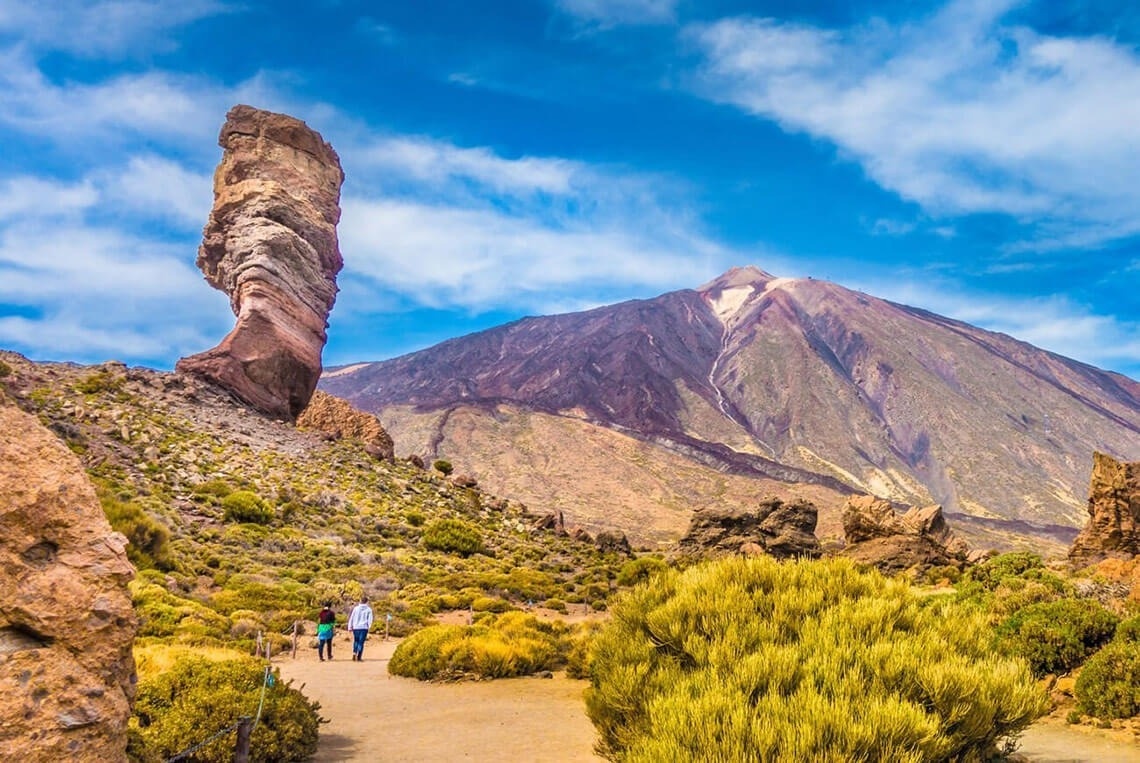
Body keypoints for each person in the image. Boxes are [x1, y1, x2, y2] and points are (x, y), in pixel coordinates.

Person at [347, 595, 373, 661]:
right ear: (367, 602)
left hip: (356, 627)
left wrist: (350, 626)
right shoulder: (369, 609)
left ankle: (354, 652)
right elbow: (370, 619)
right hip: (364, 628)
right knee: (361, 642)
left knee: (356, 641)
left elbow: (352, 617)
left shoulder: (356, 608)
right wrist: (369, 627)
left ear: (360, 601)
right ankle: (359, 656)